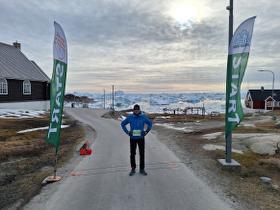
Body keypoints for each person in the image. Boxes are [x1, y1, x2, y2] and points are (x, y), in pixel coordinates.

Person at [121, 104, 152, 176]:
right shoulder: (130, 117)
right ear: (133, 110)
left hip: (141, 138)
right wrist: (128, 132)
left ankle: (142, 169)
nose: (137, 111)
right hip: (133, 139)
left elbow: (150, 124)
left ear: (139, 110)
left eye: (138, 110)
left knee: (142, 154)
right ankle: (133, 168)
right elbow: (123, 124)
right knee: (132, 154)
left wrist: (146, 132)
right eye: (135, 110)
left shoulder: (143, 117)